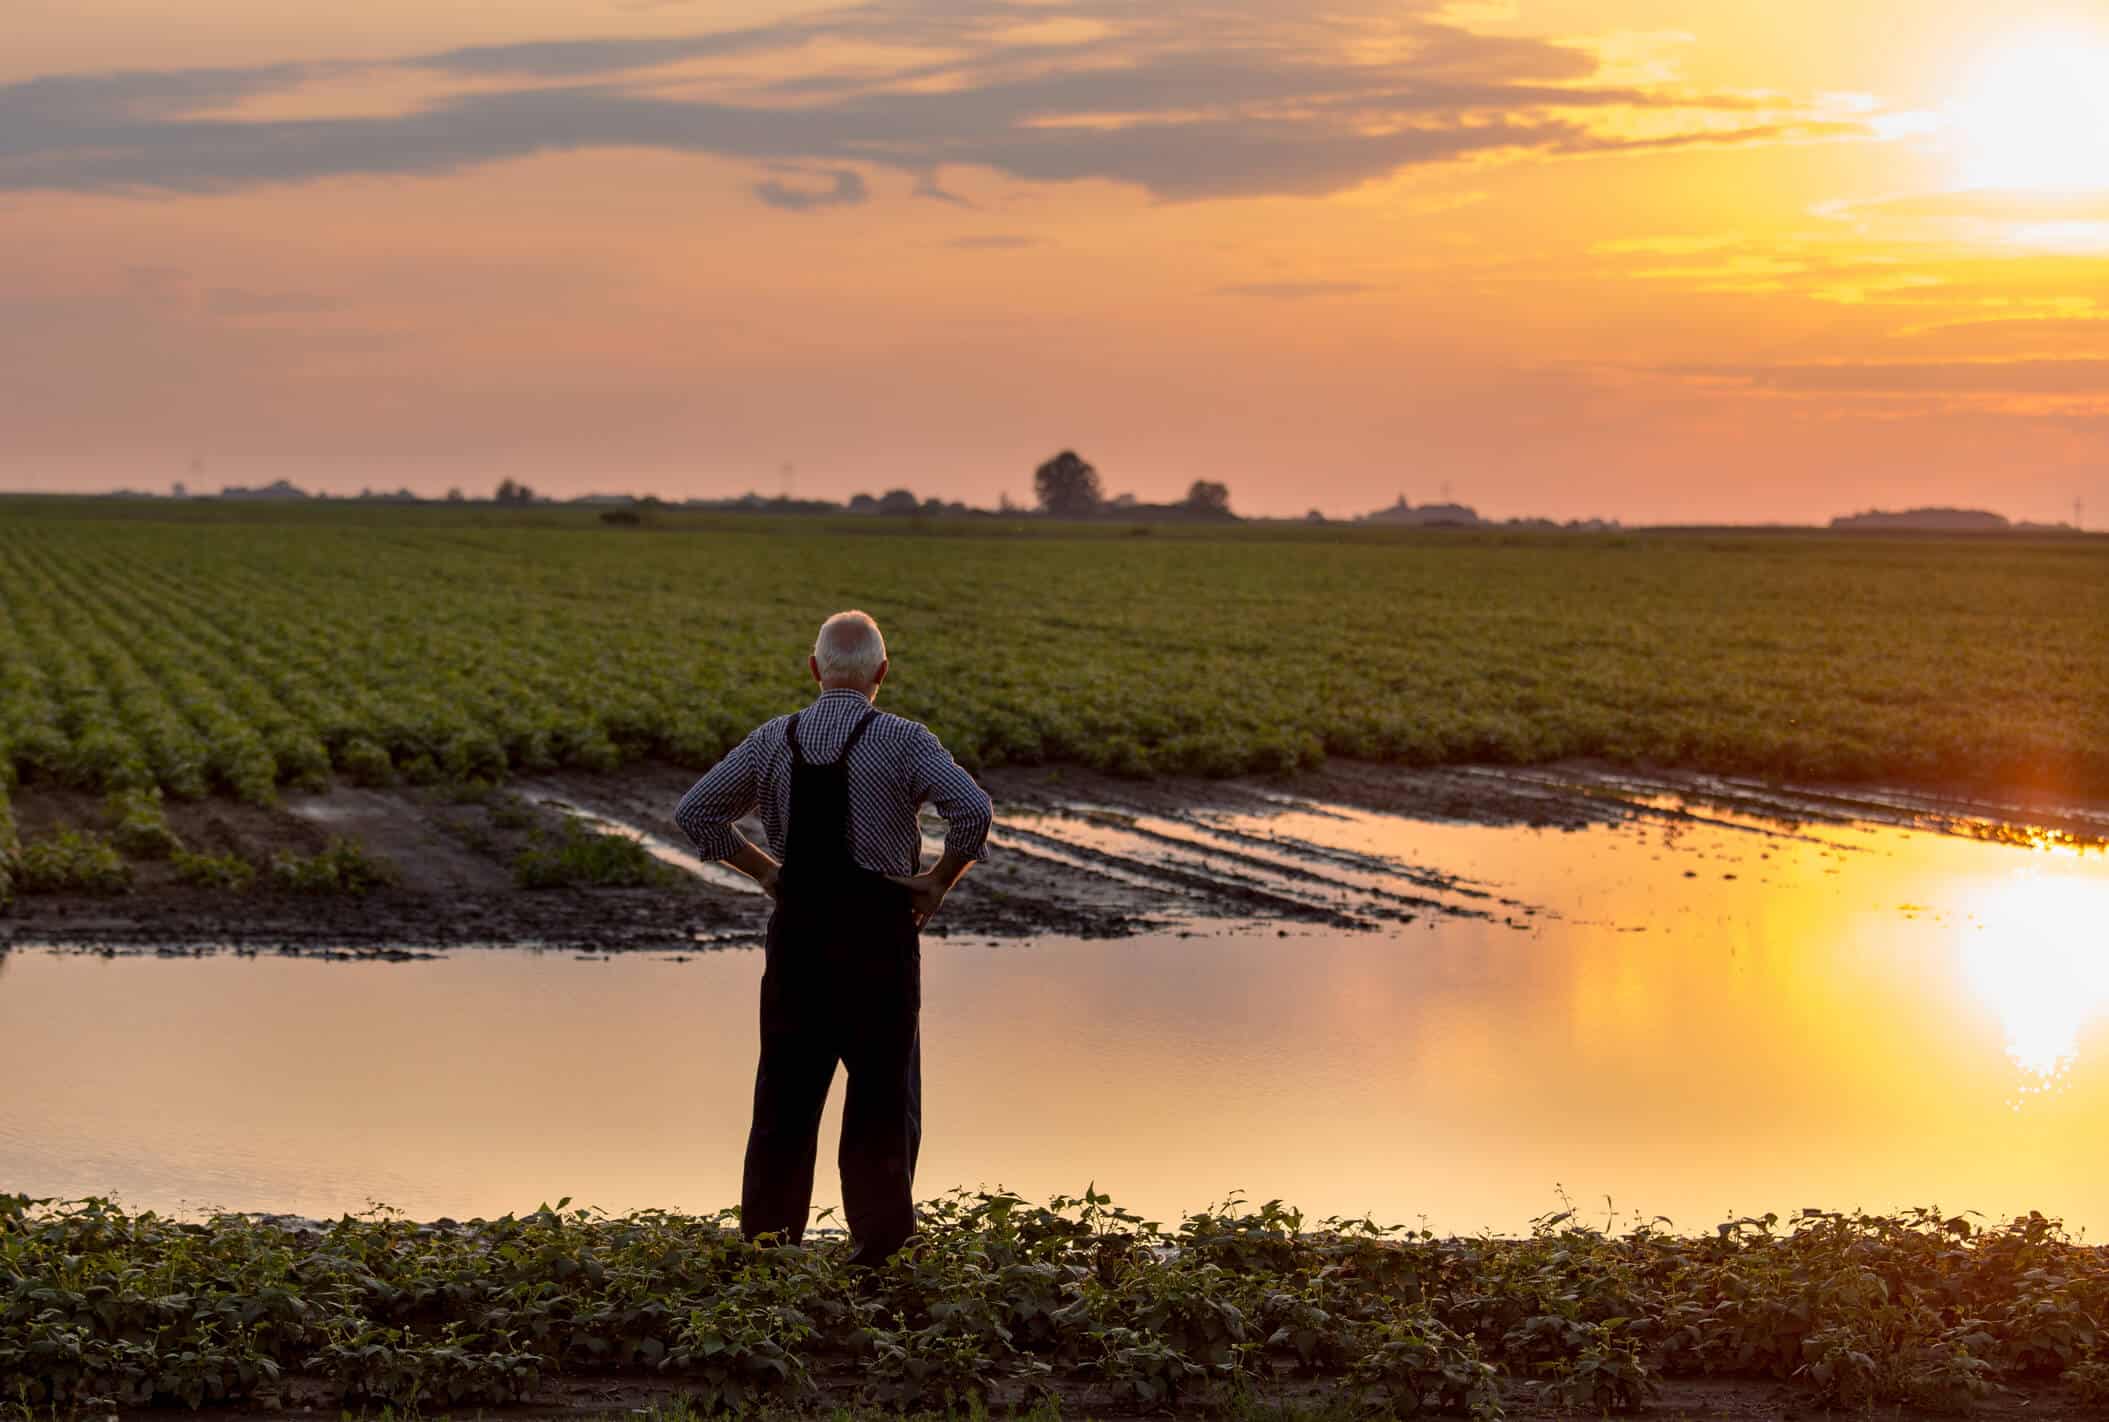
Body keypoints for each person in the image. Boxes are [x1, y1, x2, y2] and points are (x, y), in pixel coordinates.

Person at [672, 610, 992, 1264]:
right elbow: (974, 810)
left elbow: (695, 812)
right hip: (879, 940)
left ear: (815, 669)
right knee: (880, 1100)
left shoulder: (772, 740)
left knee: (784, 1101)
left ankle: (769, 1253)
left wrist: (766, 873)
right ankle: (880, 1258)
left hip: (798, 941)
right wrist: (937, 881)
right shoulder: (904, 741)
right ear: (882, 671)